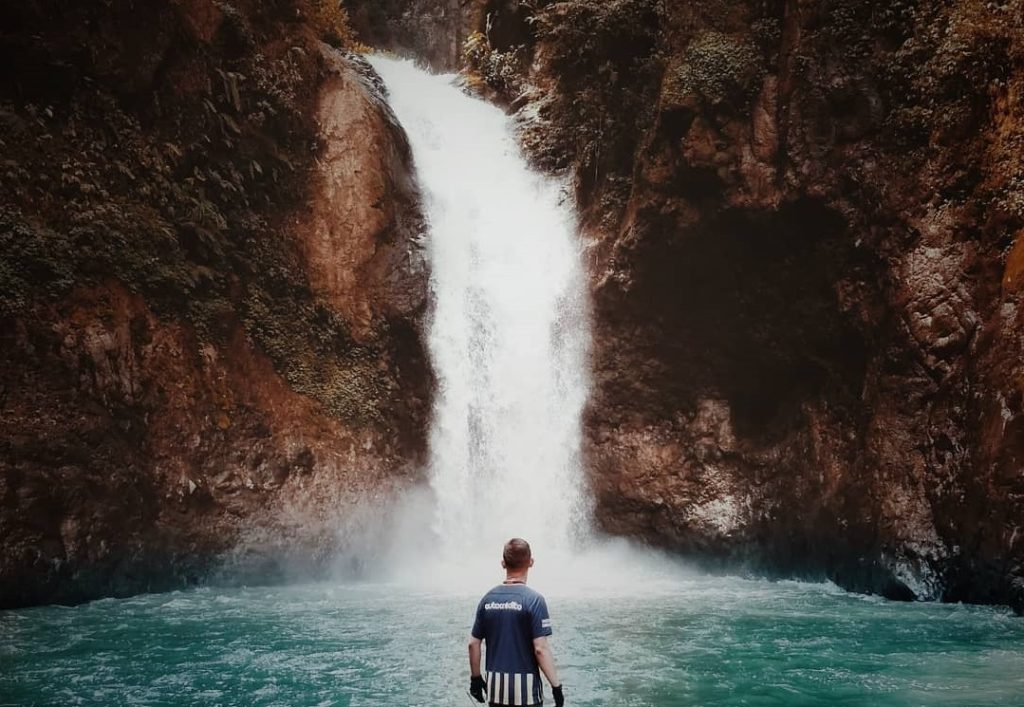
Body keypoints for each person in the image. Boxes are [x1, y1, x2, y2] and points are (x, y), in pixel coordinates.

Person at [468, 538, 564, 707]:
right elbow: (540, 649)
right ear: (531, 562)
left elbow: (473, 644)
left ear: (503, 563)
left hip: (495, 690)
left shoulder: (487, 599)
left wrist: (476, 678)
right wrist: (556, 687)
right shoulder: (534, 600)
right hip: (526, 693)